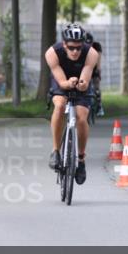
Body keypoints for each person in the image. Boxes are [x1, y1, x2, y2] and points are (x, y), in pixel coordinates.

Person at [45, 23, 99, 185]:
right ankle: (55, 151)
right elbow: (61, 82)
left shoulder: (91, 53)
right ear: (64, 45)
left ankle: (81, 159)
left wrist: (81, 84)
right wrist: (68, 83)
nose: (75, 51)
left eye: (78, 48)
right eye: (71, 48)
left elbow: (86, 78)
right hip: (61, 80)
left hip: (81, 81)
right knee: (60, 105)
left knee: (82, 117)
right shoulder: (52, 53)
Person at [84, 31, 104, 117]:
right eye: (87, 44)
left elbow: (98, 61)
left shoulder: (97, 46)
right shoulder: (80, 47)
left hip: (94, 67)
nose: (89, 46)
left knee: (96, 87)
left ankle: (99, 106)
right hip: (84, 68)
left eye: (90, 44)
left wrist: (98, 72)